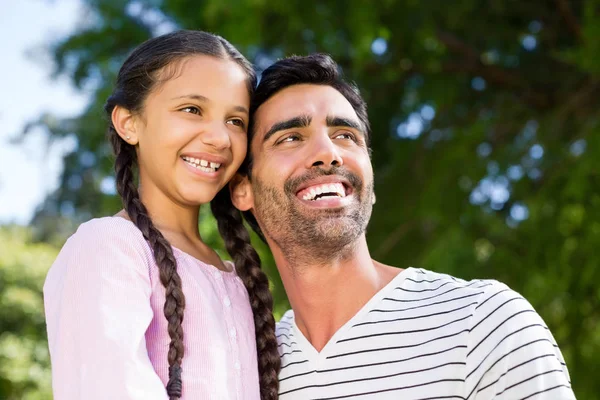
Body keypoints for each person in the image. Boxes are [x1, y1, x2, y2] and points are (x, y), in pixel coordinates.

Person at [230, 53, 576, 399]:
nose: (328, 152)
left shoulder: (482, 322)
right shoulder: (248, 371)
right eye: (290, 137)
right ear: (243, 188)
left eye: (346, 136)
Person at [43, 30, 280, 400]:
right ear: (129, 123)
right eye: (192, 110)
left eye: (236, 121)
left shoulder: (234, 277)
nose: (219, 138)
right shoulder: (109, 247)